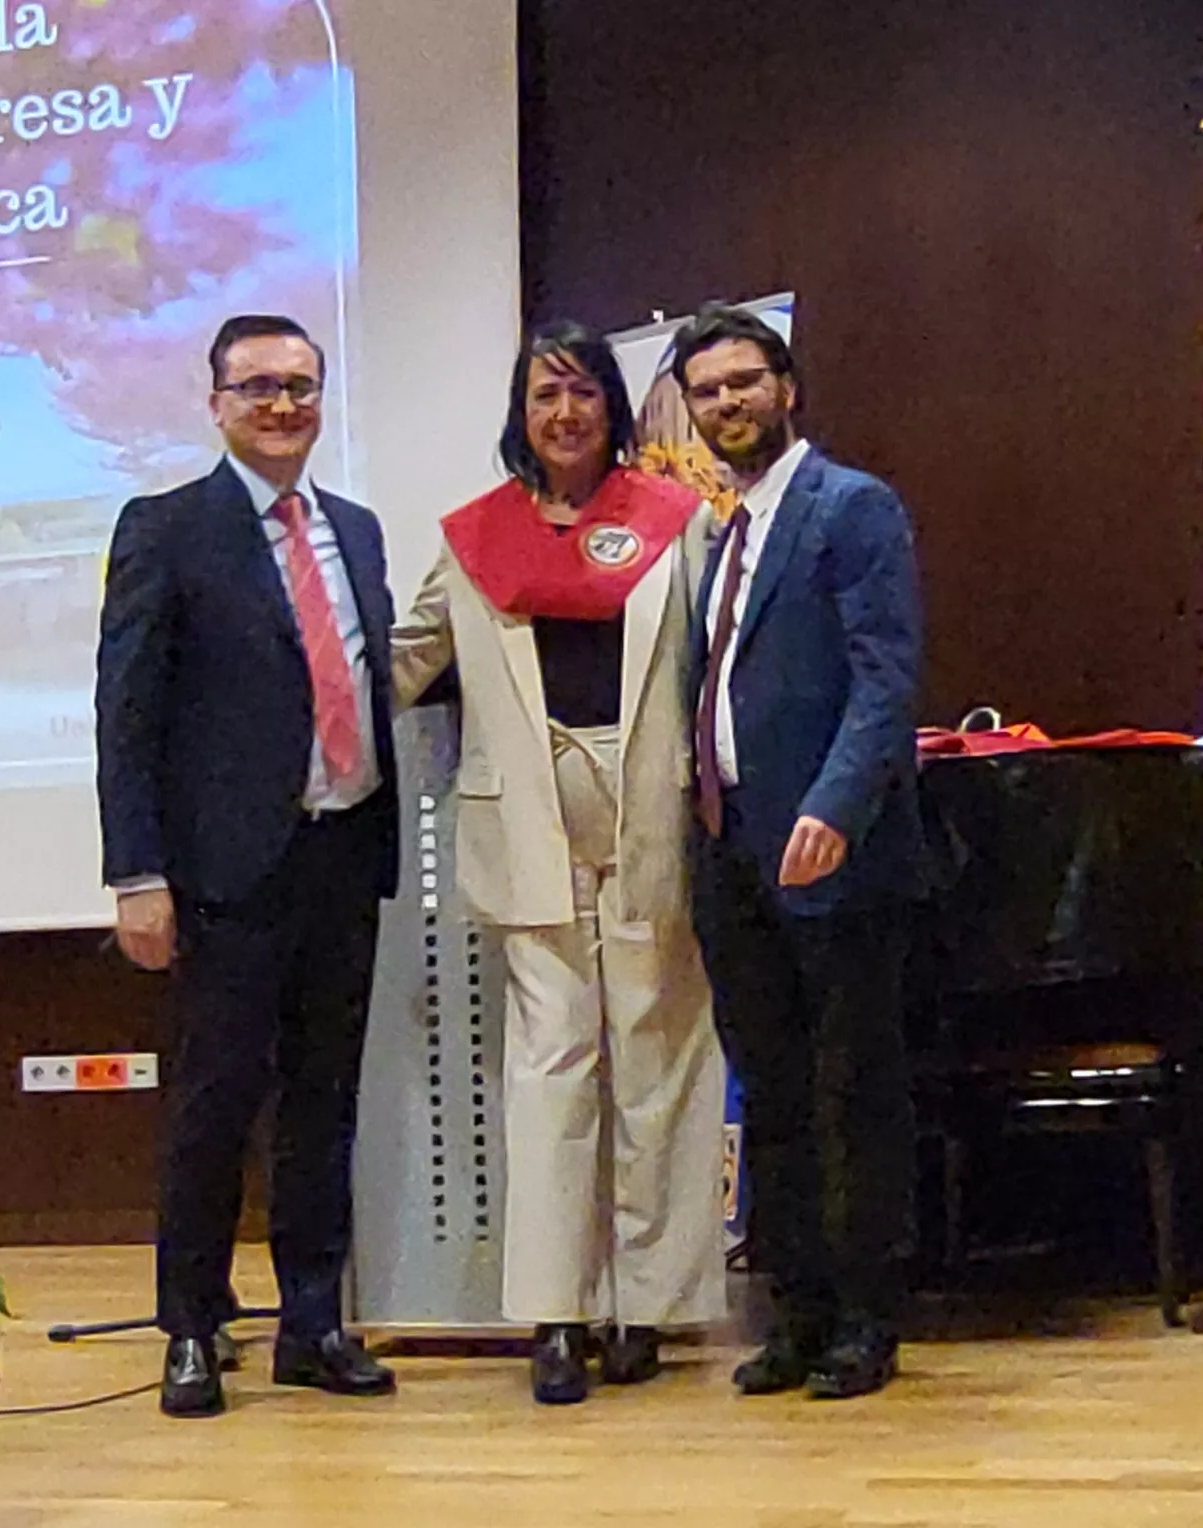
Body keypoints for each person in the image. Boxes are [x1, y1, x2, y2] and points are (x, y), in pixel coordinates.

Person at [392, 323, 729, 1405]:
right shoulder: (473, 537)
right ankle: (556, 1312)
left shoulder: (677, 525)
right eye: (546, 395)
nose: (566, 414)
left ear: (614, 408)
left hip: (653, 819)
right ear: (519, 412)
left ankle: (651, 1302)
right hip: (526, 821)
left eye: (584, 393)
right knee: (549, 1068)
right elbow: (405, 662)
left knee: (657, 1056)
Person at [96, 314, 400, 1419]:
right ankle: (193, 1324)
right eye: (260, 387)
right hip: (225, 872)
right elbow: (124, 715)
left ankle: (313, 1322)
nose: (284, 406)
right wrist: (136, 872)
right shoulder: (167, 528)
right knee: (216, 1105)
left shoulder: (357, 532)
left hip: (342, 852)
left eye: (302, 387)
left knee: (326, 1104)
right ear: (217, 401)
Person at [670, 304, 927, 1401]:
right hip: (734, 854)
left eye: (745, 382)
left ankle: (867, 1320)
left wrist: (833, 805)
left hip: (835, 851)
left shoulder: (851, 507)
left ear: (788, 389)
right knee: (767, 1091)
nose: (728, 403)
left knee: (852, 1090)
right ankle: (794, 1316)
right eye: (708, 390)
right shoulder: (725, 530)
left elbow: (885, 677)